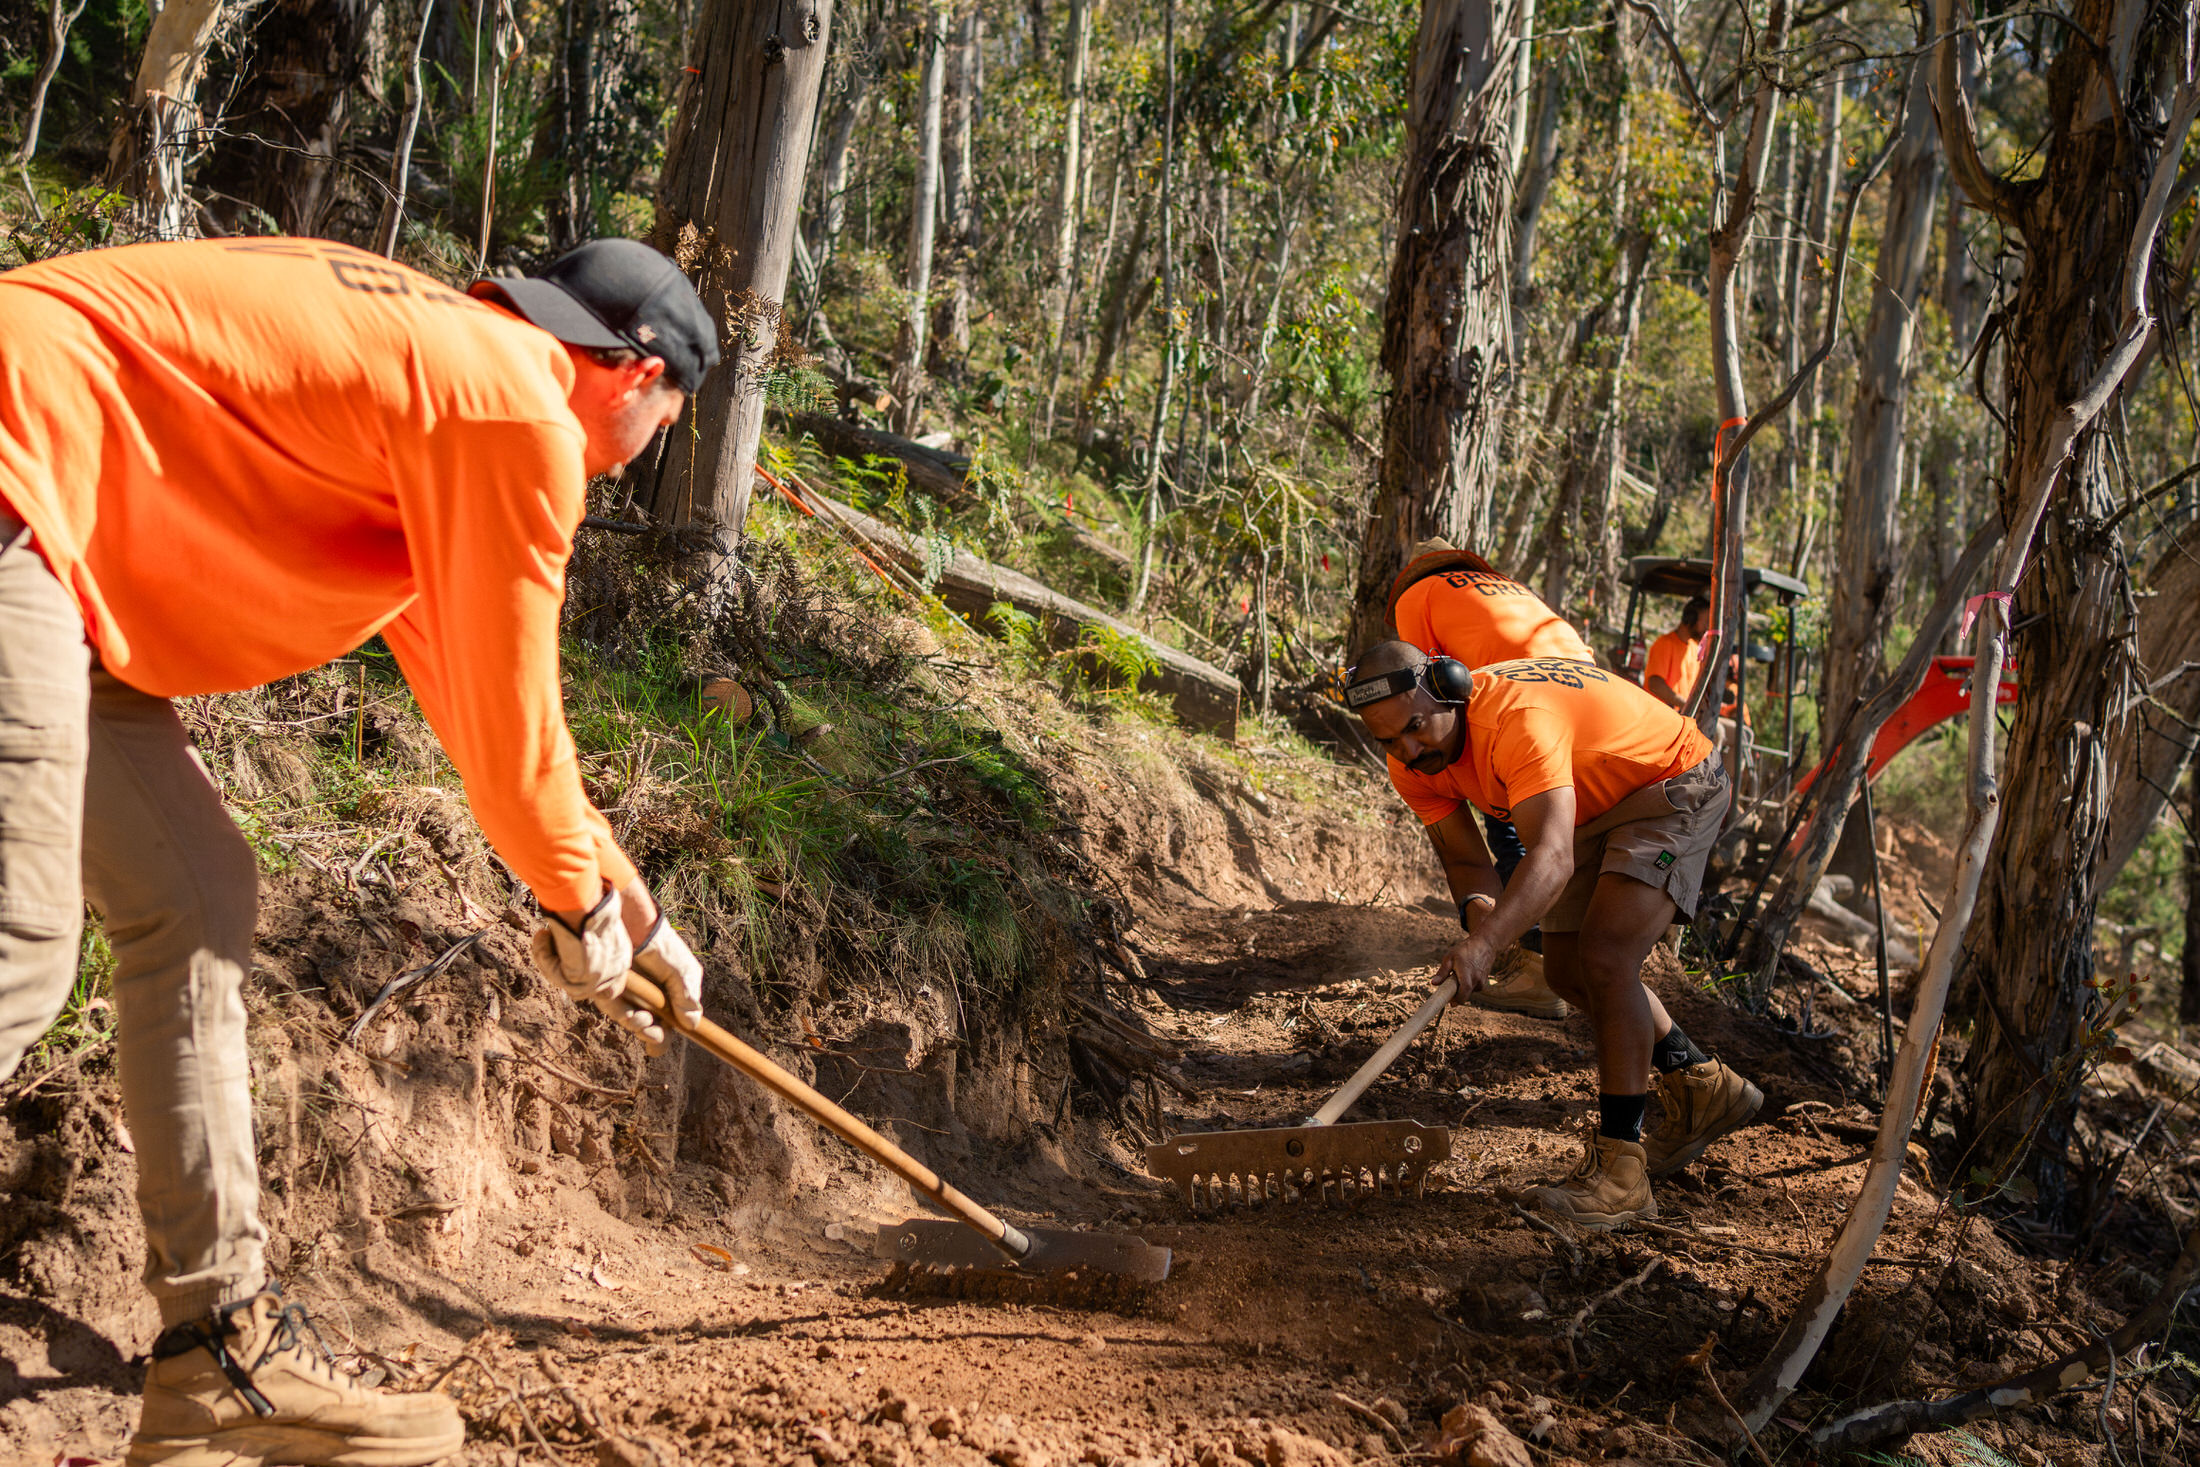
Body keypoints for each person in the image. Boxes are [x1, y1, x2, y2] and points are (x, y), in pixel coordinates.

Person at [0, 236, 724, 1465]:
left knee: (194, 889)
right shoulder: (515, 413)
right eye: (667, 418)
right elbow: (513, 740)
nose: (646, 447)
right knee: (18, 941)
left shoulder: (434, 380)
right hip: (21, 488)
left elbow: (488, 711)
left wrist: (626, 916)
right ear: (633, 376)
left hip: (58, 545)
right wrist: (578, 913)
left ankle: (215, 1362)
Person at [1345, 642, 1762, 1228]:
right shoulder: (1412, 764)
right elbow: (1467, 864)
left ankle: (1621, 1174)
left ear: (1447, 687)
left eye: (1415, 727)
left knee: (1607, 959)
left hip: (1671, 782)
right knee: (1565, 972)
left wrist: (1487, 946)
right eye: (1388, 741)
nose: (1410, 750)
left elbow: (1552, 856)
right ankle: (1703, 1085)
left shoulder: (1515, 723)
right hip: (1589, 803)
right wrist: (1482, 918)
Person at [1385, 538, 1592, 1019]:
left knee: (1510, 817)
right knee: (1560, 828)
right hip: (1589, 692)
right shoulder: (1504, 587)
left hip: (1526, 695)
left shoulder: (1420, 595)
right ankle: (1559, 958)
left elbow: (1415, 679)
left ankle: (1537, 969)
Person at [1643, 594, 1710, 709]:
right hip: (1660, 713)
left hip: (1682, 715)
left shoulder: (1694, 649)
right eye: (1705, 622)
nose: (1707, 628)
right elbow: (1655, 685)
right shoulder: (1665, 644)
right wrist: (1687, 705)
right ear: (1690, 618)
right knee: (1718, 728)